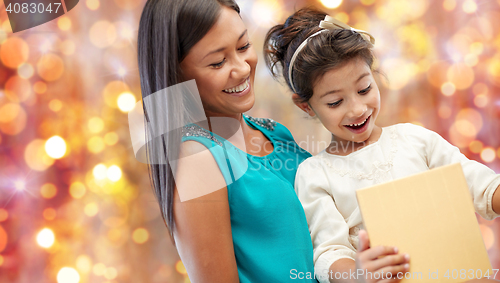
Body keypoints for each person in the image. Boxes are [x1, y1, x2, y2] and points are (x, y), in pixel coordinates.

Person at [264, 7, 500, 283]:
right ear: (306, 105)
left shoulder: (415, 139)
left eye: (364, 89)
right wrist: (357, 273)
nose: (356, 109)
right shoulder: (315, 174)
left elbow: (480, 185)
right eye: (335, 102)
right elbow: (328, 253)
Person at [137, 1, 317, 282]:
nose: (242, 69)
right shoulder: (197, 159)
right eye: (218, 62)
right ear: (177, 74)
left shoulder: (276, 133)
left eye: (243, 46)